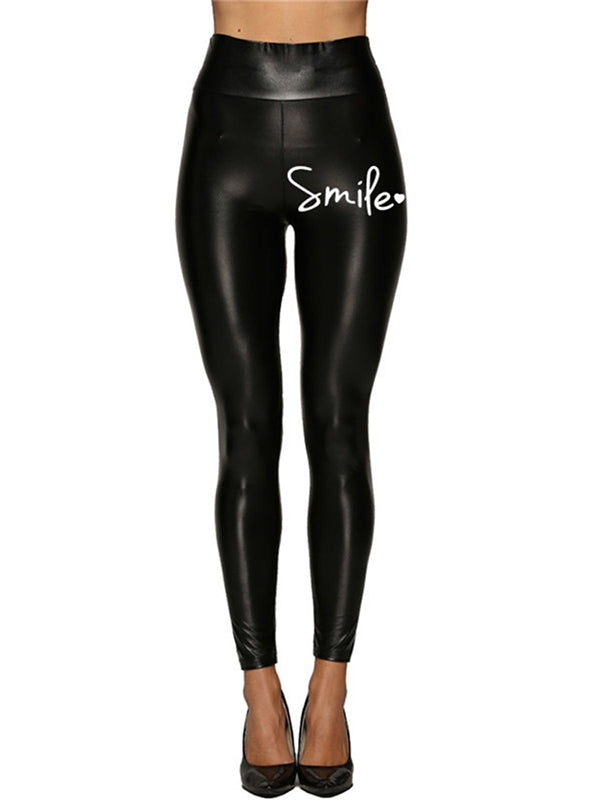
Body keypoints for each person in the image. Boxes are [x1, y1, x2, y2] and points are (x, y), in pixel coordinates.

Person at [175, 1, 407, 794]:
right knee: (244, 427)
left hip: (348, 131)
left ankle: (330, 691)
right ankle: (260, 691)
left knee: (339, 424)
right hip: (226, 134)